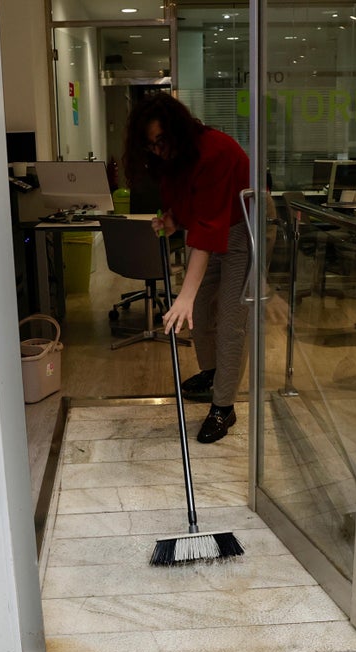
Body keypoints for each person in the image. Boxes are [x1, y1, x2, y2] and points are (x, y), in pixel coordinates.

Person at [123, 92, 251, 444]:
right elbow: (191, 207)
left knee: (231, 320)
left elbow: (209, 230)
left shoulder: (214, 152)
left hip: (244, 229)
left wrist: (184, 296)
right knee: (200, 310)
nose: (157, 150)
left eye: (161, 141)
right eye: (150, 145)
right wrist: (172, 220)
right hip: (214, 229)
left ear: (177, 130)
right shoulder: (172, 159)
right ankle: (212, 373)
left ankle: (223, 406)